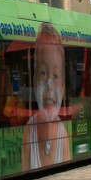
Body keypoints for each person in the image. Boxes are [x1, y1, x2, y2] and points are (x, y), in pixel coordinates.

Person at [23, 22, 70, 171]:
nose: (49, 84)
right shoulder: (29, 131)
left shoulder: (64, 135)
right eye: (43, 73)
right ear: (34, 82)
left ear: (63, 88)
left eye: (55, 75)